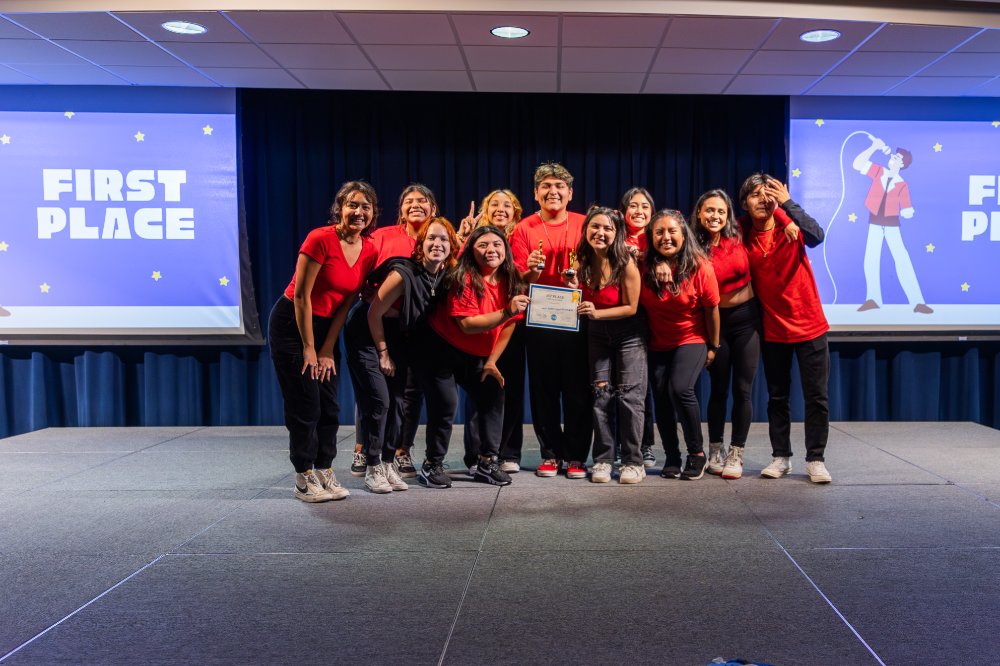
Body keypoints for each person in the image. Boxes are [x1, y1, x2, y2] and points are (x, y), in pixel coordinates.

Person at [268, 181, 380, 502]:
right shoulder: (320, 239)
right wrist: (309, 348)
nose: (359, 212)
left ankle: (325, 468)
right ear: (340, 209)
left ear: (373, 213)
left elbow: (347, 301)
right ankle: (303, 475)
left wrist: (328, 347)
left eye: (365, 207)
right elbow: (302, 296)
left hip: (327, 326)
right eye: (352, 205)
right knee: (307, 404)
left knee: (329, 404)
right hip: (294, 324)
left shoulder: (369, 249)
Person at [344, 217, 458, 493]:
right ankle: (372, 467)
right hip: (368, 335)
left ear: (451, 246)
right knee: (380, 401)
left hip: (397, 337)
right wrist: (383, 353)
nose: (437, 244)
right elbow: (373, 313)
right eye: (431, 238)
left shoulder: (443, 276)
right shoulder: (404, 272)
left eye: (444, 239)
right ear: (421, 245)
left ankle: (385, 463)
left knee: (398, 404)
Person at [413, 224, 529, 489]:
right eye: (483, 245)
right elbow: (467, 324)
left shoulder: (512, 280)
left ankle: (487, 461)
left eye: (497, 244)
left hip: (478, 355)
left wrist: (491, 362)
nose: (491, 250)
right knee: (446, 405)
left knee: (493, 393)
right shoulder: (462, 277)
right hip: (442, 349)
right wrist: (506, 312)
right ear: (471, 251)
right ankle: (432, 464)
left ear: (506, 249)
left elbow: (509, 324)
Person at [690, 189, 796, 479]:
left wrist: (787, 220)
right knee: (719, 388)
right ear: (699, 213)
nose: (715, 216)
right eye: (709, 210)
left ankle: (737, 452)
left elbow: (767, 213)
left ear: (728, 215)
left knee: (743, 389)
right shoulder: (691, 244)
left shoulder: (740, 230)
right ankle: (715, 449)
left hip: (747, 319)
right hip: (714, 322)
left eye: (720, 211)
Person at [738, 173, 833, 484]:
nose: (764, 200)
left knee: (816, 397)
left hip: (810, 325)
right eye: (756, 195)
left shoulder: (789, 225)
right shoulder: (740, 233)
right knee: (777, 397)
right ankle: (782, 457)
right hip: (774, 329)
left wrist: (787, 205)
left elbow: (817, 236)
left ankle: (815, 458)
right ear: (745, 204)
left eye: (770, 194)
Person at [350, 184, 439, 479]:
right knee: (374, 389)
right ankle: (364, 448)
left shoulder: (437, 237)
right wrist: (364, 292)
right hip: (378, 321)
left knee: (408, 393)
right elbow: (359, 269)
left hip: (417, 326)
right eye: (409, 201)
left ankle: (400, 451)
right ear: (400, 209)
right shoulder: (382, 236)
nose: (415, 205)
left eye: (422, 201)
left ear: (433, 208)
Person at [509, 162, 592, 479]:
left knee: (577, 390)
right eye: (546, 186)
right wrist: (531, 269)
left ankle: (576, 455)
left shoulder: (585, 224)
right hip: (539, 319)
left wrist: (579, 283)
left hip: (577, 318)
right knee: (543, 390)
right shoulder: (524, 228)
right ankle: (551, 454)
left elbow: (597, 272)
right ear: (535, 193)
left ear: (570, 193)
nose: (553, 191)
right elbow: (518, 278)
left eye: (559, 186)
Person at [563, 207, 646, 484]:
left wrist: (597, 313)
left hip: (629, 334)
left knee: (629, 398)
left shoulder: (626, 263)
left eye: (608, 228)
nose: (600, 233)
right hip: (597, 334)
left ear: (617, 233)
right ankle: (602, 460)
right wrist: (572, 284)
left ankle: (633, 462)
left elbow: (632, 308)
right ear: (586, 230)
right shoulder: (582, 260)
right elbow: (575, 298)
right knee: (600, 397)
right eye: (595, 227)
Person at [640, 209, 720, 480]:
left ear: (684, 234)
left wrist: (714, 346)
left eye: (672, 231)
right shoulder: (642, 264)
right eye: (659, 232)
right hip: (658, 343)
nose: (666, 237)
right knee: (661, 398)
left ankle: (696, 453)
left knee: (680, 388)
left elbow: (712, 309)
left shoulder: (699, 266)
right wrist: (654, 262)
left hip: (692, 339)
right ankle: (672, 456)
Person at [457, 190, 528, 474]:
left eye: (507, 204)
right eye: (494, 204)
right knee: (478, 390)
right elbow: (457, 268)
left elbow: (522, 278)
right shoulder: (473, 237)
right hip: (479, 327)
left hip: (511, 324)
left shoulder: (522, 236)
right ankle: (476, 455)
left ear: (516, 211)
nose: (500, 208)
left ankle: (507, 452)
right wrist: (464, 238)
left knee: (508, 389)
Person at [852, 136, 932, 314]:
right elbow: (858, 164)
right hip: (874, 221)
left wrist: (908, 211)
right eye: (893, 156)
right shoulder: (878, 172)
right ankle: (873, 298)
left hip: (892, 224)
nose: (893, 159)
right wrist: (873, 146)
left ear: (902, 165)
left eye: (897, 158)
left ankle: (917, 302)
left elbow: (907, 207)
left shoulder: (902, 184)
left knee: (901, 259)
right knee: (871, 258)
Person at [620, 187, 657, 468]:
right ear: (623, 211)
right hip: (619, 317)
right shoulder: (614, 237)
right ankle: (623, 445)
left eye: (645, 206)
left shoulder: (659, 237)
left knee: (644, 388)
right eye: (633, 206)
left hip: (653, 318)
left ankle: (645, 445)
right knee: (619, 387)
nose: (639, 211)